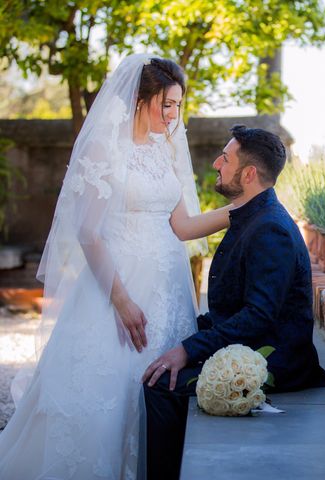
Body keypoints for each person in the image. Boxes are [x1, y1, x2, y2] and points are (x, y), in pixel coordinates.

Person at [0, 54, 232, 479]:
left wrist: (240, 211)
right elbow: (89, 233)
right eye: (166, 104)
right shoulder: (107, 148)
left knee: (158, 385)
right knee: (107, 389)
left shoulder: (165, 151)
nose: (172, 115)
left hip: (167, 285)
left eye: (178, 105)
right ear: (140, 99)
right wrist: (121, 300)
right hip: (117, 286)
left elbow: (182, 226)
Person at [142, 125, 325, 479]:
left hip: (274, 358)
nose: (217, 162)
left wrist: (188, 349)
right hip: (251, 341)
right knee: (162, 360)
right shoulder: (251, 215)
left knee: (160, 386)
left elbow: (257, 316)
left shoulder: (269, 228)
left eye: (225, 158)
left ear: (248, 174)